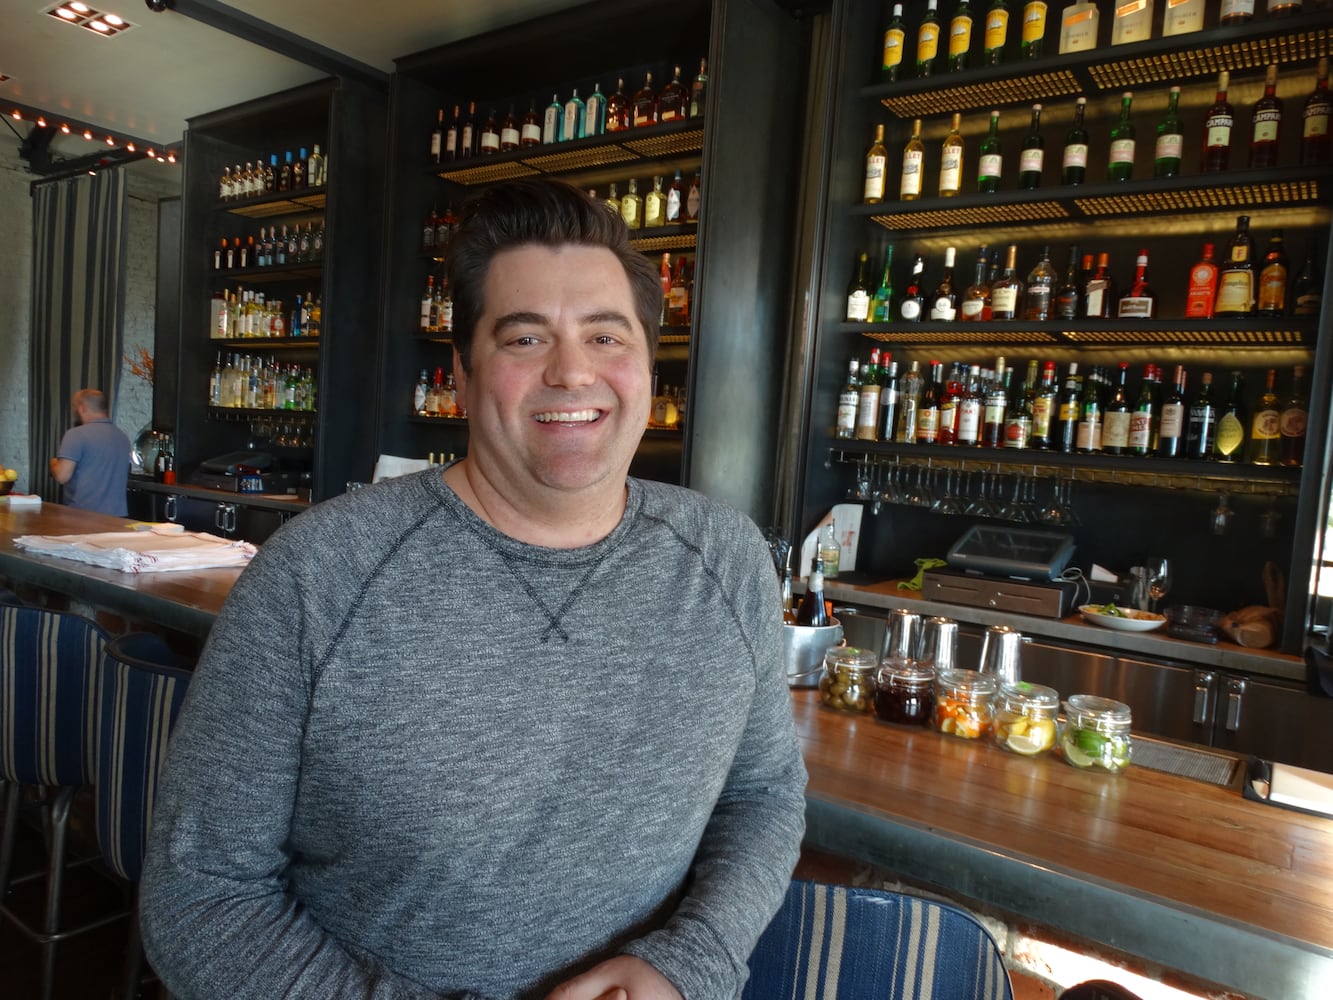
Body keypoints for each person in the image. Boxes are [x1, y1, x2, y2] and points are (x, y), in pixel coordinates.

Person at [139, 178, 807, 1000]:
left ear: (645, 365)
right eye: (524, 339)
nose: (571, 372)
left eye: (605, 336)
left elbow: (763, 794)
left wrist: (689, 962)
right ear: (460, 374)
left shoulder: (727, 557)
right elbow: (200, 895)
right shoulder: (318, 574)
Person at [49, 388, 131, 516]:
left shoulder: (76, 435)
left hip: (83, 516)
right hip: (116, 518)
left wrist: (54, 463)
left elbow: (62, 476)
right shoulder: (123, 437)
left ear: (82, 408)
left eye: (75, 407)